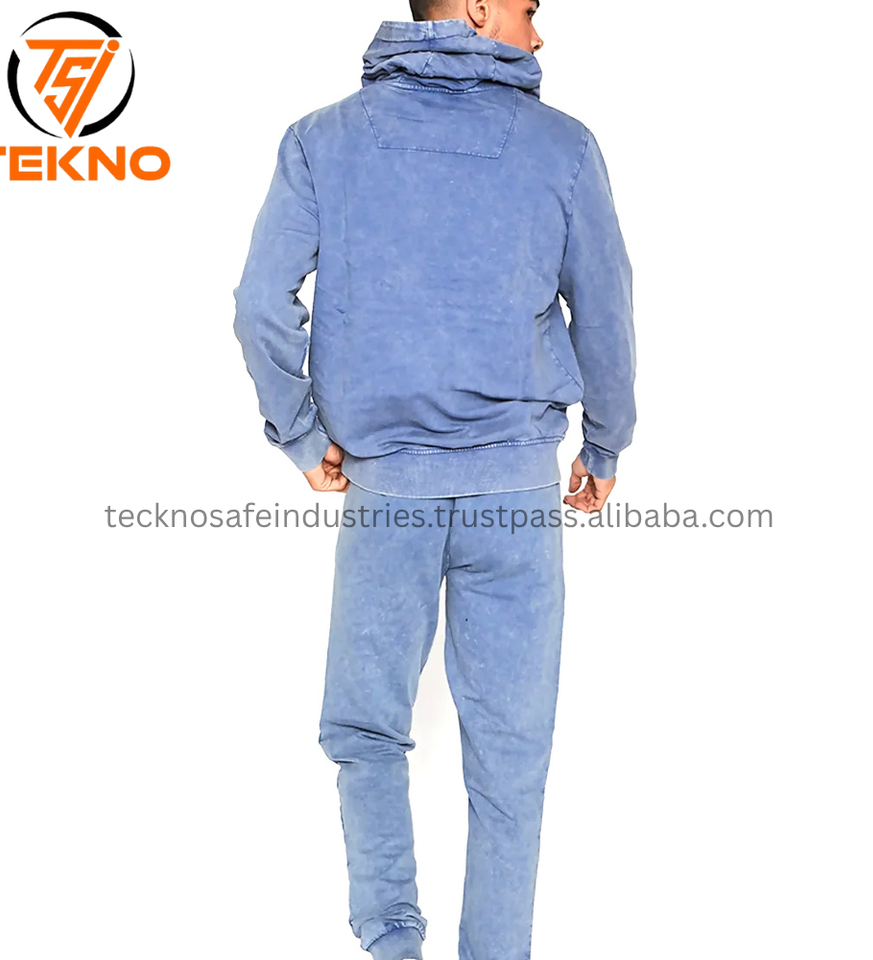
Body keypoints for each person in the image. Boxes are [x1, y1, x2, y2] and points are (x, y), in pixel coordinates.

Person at [232, 2, 635, 958]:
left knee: (366, 731)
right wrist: (606, 444)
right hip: (517, 498)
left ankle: (392, 945)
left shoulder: (322, 140)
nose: (540, 33)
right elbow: (608, 308)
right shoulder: (565, 147)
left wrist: (300, 436)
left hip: (385, 495)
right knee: (512, 753)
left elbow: (258, 306)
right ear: (481, 10)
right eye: (531, 11)